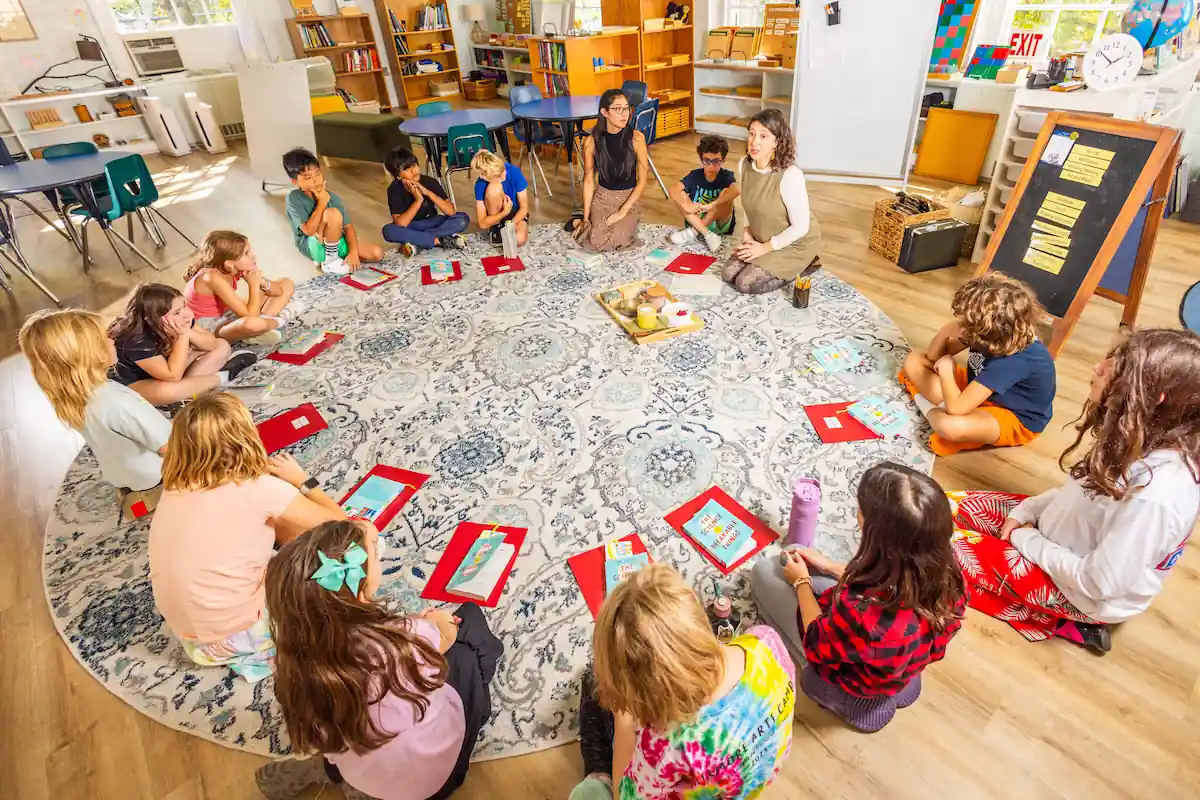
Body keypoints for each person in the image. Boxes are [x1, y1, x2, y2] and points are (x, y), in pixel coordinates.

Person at [948, 328, 1200, 654]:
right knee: (937, 507)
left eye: (1116, 367)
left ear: (1154, 397)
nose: (1098, 367)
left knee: (925, 548)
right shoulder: (1141, 431)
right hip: (1054, 534)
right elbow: (1082, 492)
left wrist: (1024, 539)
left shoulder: (1158, 497)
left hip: (1079, 589)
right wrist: (1029, 512)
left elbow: (1101, 583)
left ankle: (1061, 621)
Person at [254, 519, 504, 800]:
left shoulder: (290, 665)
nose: (376, 554)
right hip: (432, 785)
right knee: (467, 638)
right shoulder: (403, 639)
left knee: (344, 726)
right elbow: (446, 632)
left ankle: (334, 774)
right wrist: (436, 621)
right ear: (360, 586)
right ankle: (478, 709)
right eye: (374, 554)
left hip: (358, 769)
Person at [751, 462, 966, 733]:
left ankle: (850, 701)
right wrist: (828, 565)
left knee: (764, 573)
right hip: (900, 663)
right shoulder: (950, 571)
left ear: (879, 536)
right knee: (797, 565)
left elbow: (817, 641)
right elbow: (887, 587)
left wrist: (802, 582)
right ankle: (895, 687)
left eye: (862, 512)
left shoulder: (860, 612)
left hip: (856, 679)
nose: (857, 513)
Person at [149, 393, 347, 680]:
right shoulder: (259, 488)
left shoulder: (174, 485)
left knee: (275, 528)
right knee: (360, 541)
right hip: (241, 635)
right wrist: (302, 481)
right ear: (246, 437)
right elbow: (341, 524)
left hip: (192, 638)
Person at [569, 563, 794, 800]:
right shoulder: (767, 643)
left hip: (680, 777)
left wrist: (624, 719)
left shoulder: (662, 750)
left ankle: (598, 775)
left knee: (593, 687)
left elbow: (625, 797)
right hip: (748, 780)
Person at [20, 309, 171, 517]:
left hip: (125, 474)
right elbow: (168, 445)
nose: (112, 340)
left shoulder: (72, 397)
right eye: (105, 337)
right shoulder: (118, 401)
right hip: (156, 477)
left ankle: (135, 498)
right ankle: (148, 502)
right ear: (90, 354)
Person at [898, 272, 1057, 457]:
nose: (962, 327)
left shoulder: (1016, 360)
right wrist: (944, 333)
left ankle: (935, 412)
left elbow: (956, 408)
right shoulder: (993, 331)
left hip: (1013, 416)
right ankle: (947, 412)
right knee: (914, 360)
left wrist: (947, 373)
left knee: (949, 425)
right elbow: (933, 357)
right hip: (978, 389)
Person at [722, 109, 821, 295]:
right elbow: (751, 205)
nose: (754, 141)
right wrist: (748, 232)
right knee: (728, 274)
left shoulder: (790, 175)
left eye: (763, 136)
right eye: (751, 134)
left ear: (777, 142)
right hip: (763, 235)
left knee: (745, 283)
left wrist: (764, 248)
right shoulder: (744, 165)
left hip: (795, 242)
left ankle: (800, 267)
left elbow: (801, 227)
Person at [107, 283, 256, 407]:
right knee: (168, 391)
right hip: (137, 383)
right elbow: (172, 376)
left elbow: (210, 343)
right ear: (153, 319)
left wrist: (187, 332)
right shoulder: (135, 340)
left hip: (172, 368)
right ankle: (222, 376)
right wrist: (183, 336)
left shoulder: (179, 320)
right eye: (177, 312)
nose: (187, 314)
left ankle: (187, 394)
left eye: (184, 306)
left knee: (221, 345)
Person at [183, 230, 304, 347]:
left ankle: (263, 324)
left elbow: (278, 291)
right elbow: (250, 317)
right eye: (246, 253)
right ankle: (278, 321)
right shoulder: (211, 277)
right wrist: (254, 285)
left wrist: (260, 281)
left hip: (227, 315)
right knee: (251, 323)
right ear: (228, 263)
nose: (253, 255)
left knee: (286, 283)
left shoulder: (233, 268)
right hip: (209, 330)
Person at [568, 88, 649, 253]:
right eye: (617, 109)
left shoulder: (637, 138)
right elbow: (589, 180)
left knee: (618, 238)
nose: (624, 114)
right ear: (604, 112)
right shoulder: (591, 142)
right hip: (603, 197)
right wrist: (585, 218)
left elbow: (642, 180)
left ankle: (614, 224)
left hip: (628, 198)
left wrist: (622, 211)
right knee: (596, 243)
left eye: (626, 108)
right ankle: (579, 222)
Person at [283, 147, 384, 275]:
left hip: (336, 240)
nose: (315, 180)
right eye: (308, 178)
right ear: (294, 181)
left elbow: (348, 227)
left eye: (318, 174)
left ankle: (335, 256)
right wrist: (322, 203)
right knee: (332, 213)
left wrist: (353, 252)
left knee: (376, 253)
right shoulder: (293, 199)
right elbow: (309, 231)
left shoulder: (332, 196)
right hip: (313, 245)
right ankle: (330, 262)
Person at [382, 145, 469, 258]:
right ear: (398, 176)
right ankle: (440, 240)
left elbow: (451, 211)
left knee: (462, 219)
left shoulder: (430, 182)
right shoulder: (394, 190)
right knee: (388, 231)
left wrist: (428, 192)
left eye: (414, 165)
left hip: (434, 222)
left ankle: (419, 243)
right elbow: (401, 224)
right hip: (412, 226)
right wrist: (418, 200)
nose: (414, 171)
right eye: (407, 169)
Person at [668, 134, 740, 253]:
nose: (711, 166)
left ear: (723, 161)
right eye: (707, 161)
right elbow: (673, 189)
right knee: (680, 195)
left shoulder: (726, 176)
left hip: (719, 224)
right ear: (701, 159)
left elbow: (737, 190)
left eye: (716, 161)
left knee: (726, 194)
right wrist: (685, 205)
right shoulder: (695, 175)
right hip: (695, 218)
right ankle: (707, 234)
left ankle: (693, 232)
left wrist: (712, 205)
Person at [471, 149, 529, 248]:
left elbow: (524, 207)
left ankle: (505, 229)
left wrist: (512, 223)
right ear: (484, 177)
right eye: (497, 176)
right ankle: (496, 228)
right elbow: (483, 224)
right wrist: (504, 212)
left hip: (516, 213)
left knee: (519, 238)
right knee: (494, 188)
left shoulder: (514, 171)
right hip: (497, 215)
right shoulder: (481, 184)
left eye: (502, 172)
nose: (502, 176)